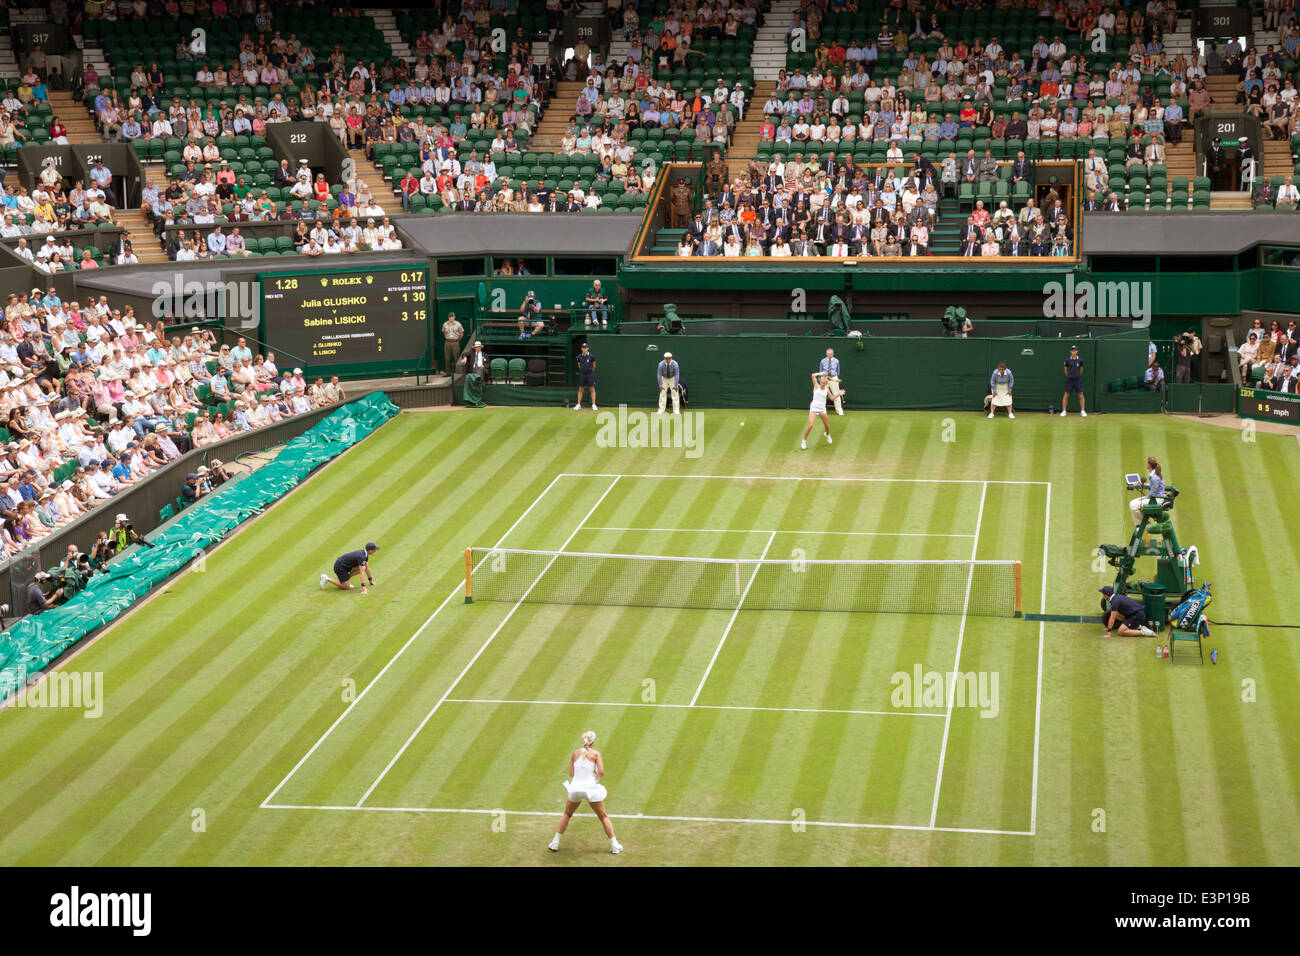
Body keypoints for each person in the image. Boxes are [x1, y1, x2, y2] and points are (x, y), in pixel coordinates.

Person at [548, 730, 623, 855]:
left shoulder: (574, 753)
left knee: (567, 814)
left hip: (575, 789)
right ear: (593, 742)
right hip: (590, 790)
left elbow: (572, 774)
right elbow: (601, 772)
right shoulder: (596, 754)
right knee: (603, 816)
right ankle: (615, 845)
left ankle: (555, 842)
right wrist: (594, 779)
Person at [1129, 457, 1166, 528]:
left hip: (1156, 499)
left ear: (1149, 465)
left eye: (1147, 463)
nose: (1146, 464)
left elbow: (1153, 491)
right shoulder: (1153, 474)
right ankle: (1142, 523)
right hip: (1154, 497)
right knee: (1131, 503)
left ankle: (1144, 524)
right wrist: (1145, 484)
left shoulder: (1154, 477)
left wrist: (1145, 497)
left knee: (1133, 506)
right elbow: (1153, 486)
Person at [801, 371, 834, 450]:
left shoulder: (827, 390)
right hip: (814, 408)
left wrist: (839, 393)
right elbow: (813, 375)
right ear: (820, 382)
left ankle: (827, 435)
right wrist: (821, 373)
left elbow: (832, 398)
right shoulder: (816, 386)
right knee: (811, 425)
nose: (822, 384)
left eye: (823, 383)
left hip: (822, 409)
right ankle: (804, 441)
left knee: (827, 425)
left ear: (826, 384)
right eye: (821, 383)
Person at [1060, 344, 1087, 416]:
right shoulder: (1067, 360)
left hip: (1078, 380)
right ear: (1070, 351)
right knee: (1066, 395)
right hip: (1069, 380)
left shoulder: (1080, 360)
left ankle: (1082, 411)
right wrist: (1069, 375)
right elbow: (1065, 370)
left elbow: (1081, 369)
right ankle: (1064, 411)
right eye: (1072, 350)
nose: (1073, 352)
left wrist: (1077, 375)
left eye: (1075, 350)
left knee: (1081, 395)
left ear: (1077, 351)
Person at [818, 347, 845, 415]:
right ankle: (821, 410)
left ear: (833, 354)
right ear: (826, 354)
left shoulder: (836, 361)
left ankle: (839, 410)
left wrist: (834, 377)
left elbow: (838, 371)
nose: (830, 355)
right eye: (828, 354)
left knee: (836, 393)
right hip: (825, 378)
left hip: (833, 378)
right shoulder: (822, 361)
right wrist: (823, 378)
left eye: (831, 354)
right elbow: (820, 370)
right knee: (822, 394)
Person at [574, 341, 597, 411]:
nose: (584, 349)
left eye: (585, 348)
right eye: (583, 348)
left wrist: (590, 371)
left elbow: (594, 365)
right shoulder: (579, 357)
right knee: (581, 389)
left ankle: (593, 404)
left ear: (588, 348)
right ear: (581, 349)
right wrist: (583, 370)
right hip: (582, 374)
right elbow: (579, 365)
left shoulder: (592, 356)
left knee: (592, 389)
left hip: (590, 374)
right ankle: (578, 404)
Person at [656, 351, 681, 415]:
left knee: (675, 394)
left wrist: (675, 386)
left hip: (672, 378)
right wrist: (660, 386)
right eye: (666, 358)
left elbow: (677, 375)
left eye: (669, 358)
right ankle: (661, 410)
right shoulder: (660, 364)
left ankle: (676, 411)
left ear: (671, 358)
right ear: (664, 358)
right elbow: (659, 375)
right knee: (662, 394)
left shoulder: (675, 364)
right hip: (664, 378)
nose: (668, 360)